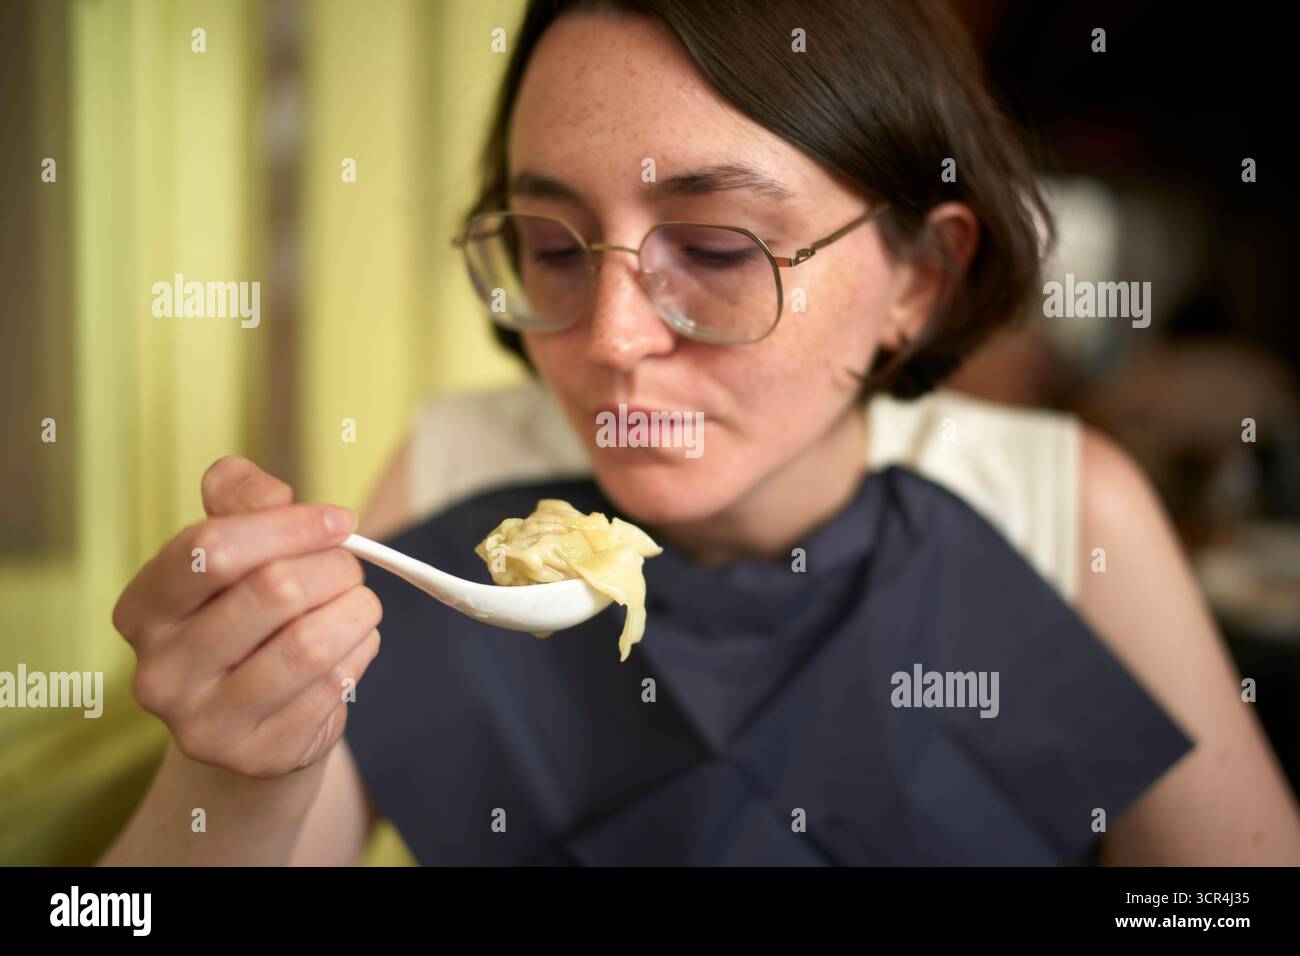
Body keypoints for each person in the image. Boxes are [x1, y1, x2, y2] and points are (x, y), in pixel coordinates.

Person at [100, 0, 1300, 865]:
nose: (613, 335)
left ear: (919, 280)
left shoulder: (1062, 511)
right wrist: (230, 764)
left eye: (720, 249)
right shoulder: (458, 477)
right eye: (556, 250)